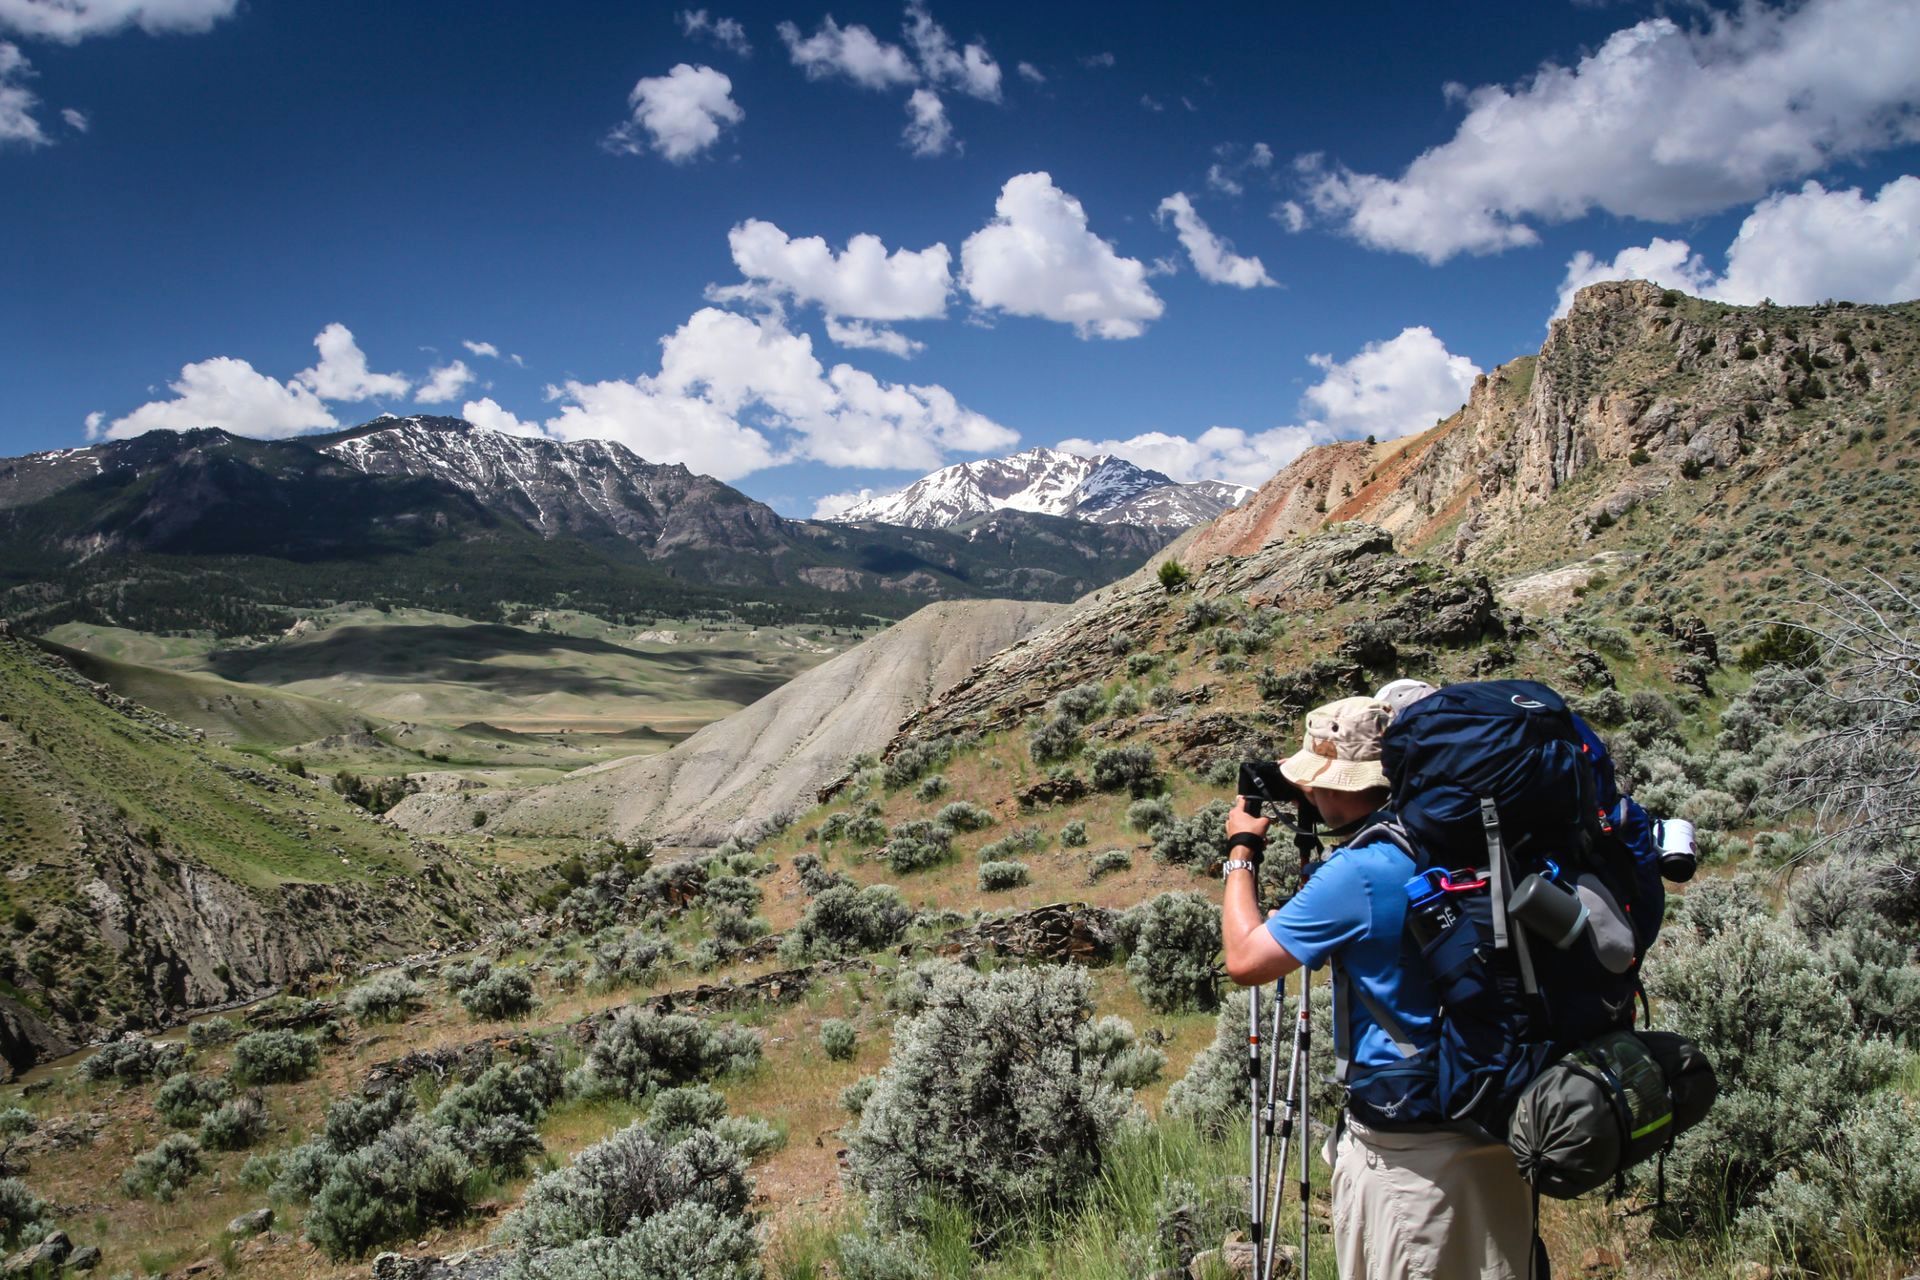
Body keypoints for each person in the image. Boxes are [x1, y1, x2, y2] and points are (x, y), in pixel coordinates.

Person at [1220, 696, 1534, 1280]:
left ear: (1337, 784)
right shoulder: (1465, 839)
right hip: (1493, 1116)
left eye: (1314, 784)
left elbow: (1245, 959)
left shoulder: (1360, 872)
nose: (1307, 795)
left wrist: (1242, 850)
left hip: (1409, 1160)